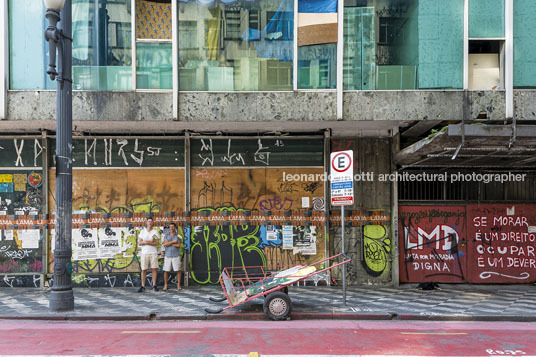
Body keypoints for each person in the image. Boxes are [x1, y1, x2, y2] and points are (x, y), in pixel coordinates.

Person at [138, 217, 160, 292]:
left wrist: (147, 242)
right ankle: (143, 286)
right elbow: (139, 242)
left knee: (154, 269)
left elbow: (156, 243)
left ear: (152, 223)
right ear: (146, 222)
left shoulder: (155, 232)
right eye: (148, 221)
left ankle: (154, 285)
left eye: (151, 221)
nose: (150, 223)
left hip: (153, 253)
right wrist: (146, 242)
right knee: (144, 269)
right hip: (144, 253)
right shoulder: (142, 232)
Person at [162, 222, 183, 291]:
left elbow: (178, 245)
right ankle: (165, 285)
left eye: (172, 227)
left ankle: (178, 285)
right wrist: (173, 242)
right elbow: (165, 244)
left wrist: (169, 243)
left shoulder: (178, 235)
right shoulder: (166, 235)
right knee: (166, 270)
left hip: (176, 255)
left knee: (178, 270)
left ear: (175, 228)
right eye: (170, 227)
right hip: (168, 255)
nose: (171, 228)